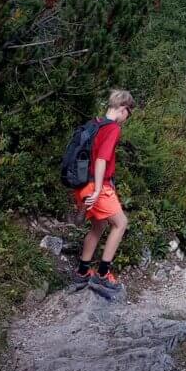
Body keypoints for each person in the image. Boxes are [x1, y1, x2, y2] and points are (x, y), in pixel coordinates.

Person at [71, 89, 135, 300]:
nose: (127, 118)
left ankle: (82, 272)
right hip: (97, 185)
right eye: (129, 113)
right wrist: (99, 189)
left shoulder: (95, 124)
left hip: (82, 185)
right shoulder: (113, 129)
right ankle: (103, 274)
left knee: (99, 225)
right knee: (120, 223)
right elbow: (101, 160)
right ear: (124, 108)